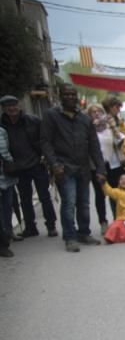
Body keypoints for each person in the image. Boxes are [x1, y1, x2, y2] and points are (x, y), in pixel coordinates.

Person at [40, 84, 106, 252]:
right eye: (66, 94)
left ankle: (84, 232)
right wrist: (54, 164)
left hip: (83, 167)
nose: (70, 97)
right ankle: (70, 237)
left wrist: (100, 169)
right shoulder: (51, 116)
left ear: (77, 97)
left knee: (84, 203)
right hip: (63, 167)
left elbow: (94, 146)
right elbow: (45, 142)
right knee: (69, 202)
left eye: (72, 94)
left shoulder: (85, 119)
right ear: (60, 96)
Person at [1, 95, 58, 237]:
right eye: (8, 106)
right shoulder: (2, 125)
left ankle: (51, 226)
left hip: (37, 164)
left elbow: (44, 139)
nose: (12, 108)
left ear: (18, 105)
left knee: (44, 196)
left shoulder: (33, 121)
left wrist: (46, 157)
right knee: (25, 199)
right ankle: (30, 227)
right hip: (17, 167)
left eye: (14, 105)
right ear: (3, 108)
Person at [86, 103, 118, 234]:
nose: (97, 113)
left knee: (114, 193)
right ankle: (103, 222)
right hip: (96, 166)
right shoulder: (88, 128)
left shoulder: (109, 126)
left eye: (99, 111)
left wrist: (114, 127)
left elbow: (119, 140)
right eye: (93, 112)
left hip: (112, 164)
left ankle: (117, 220)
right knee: (100, 194)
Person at [0, 124, 15, 255]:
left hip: (6, 176)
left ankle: (9, 232)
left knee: (8, 206)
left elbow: (7, 150)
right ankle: (3, 244)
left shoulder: (2, 131)